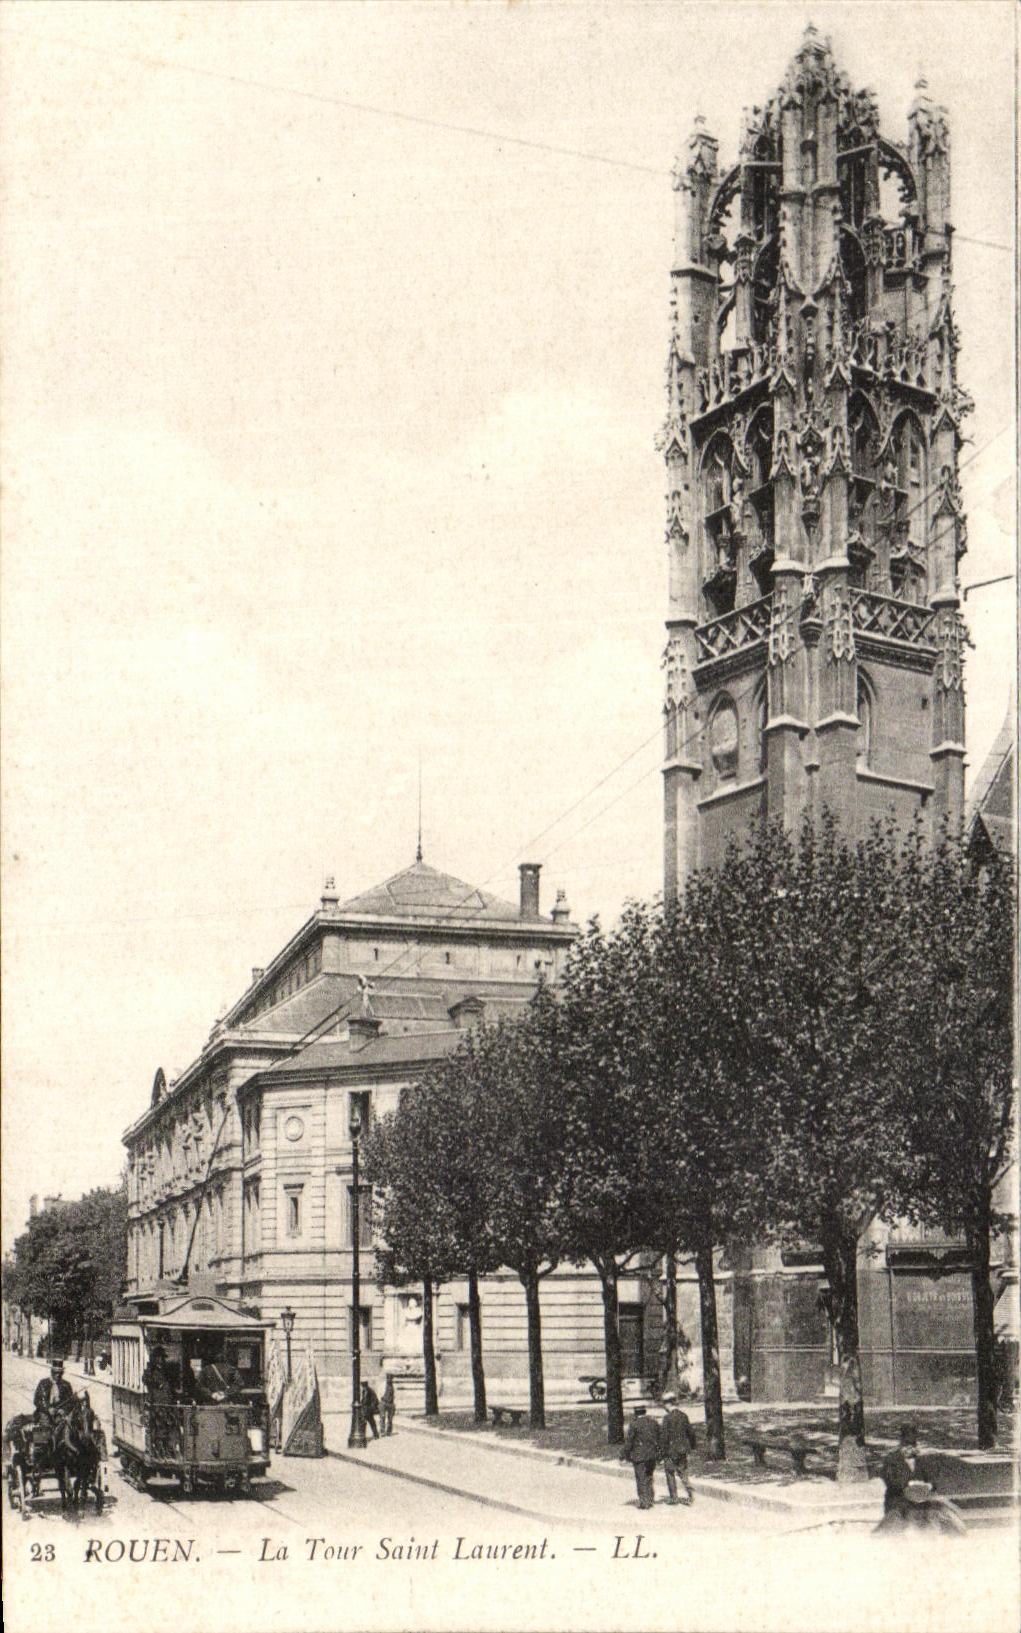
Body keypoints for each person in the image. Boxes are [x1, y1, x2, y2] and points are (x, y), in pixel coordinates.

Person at [620, 1403, 661, 1510]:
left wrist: (623, 1455)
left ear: (635, 1413)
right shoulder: (653, 1422)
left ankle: (644, 1502)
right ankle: (651, 1498)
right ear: (645, 1412)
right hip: (652, 1455)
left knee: (641, 1478)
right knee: (649, 1477)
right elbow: (659, 1437)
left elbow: (629, 1442)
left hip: (639, 1456)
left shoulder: (634, 1425)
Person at [659, 1390, 697, 1506]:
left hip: (670, 1451)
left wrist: (662, 1453)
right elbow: (690, 1432)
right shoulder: (683, 1416)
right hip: (682, 1450)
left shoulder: (667, 1418)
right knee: (683, 1472)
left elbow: (664, 1437)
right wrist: (692, 1446)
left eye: (664, 1404)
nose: (664, 1407)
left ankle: (674, 1498)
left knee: (670, 1473)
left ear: (668, 1404)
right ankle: (690, 1494)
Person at [33, 1358, 75, 1422]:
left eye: (60, 1373)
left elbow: (71, 1402)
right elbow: (36, 1400)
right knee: (45, 1425)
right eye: (56, 1372)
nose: (58, 1375)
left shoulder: (66, 1385)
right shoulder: (43, 1383)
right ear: (52, 1371)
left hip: (60, 1414)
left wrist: (63, 1410)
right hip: (44, 1413)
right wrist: (48, 1409)